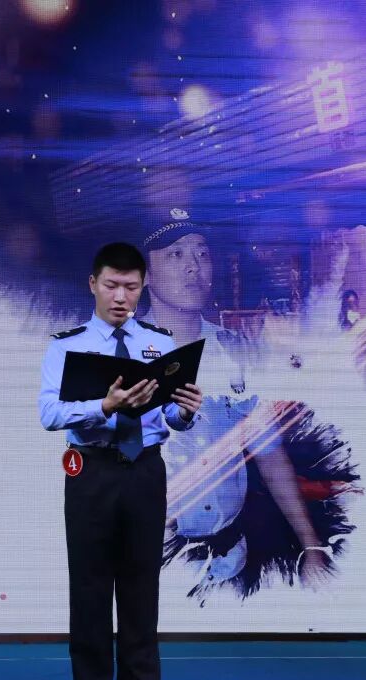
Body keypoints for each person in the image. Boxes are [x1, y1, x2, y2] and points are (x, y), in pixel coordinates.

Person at [39, 242, 203, 680]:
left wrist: (186, 410)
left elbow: (171, 418)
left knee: (140, 594)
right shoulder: (66, 346)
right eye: (111, 285)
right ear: (93, 284)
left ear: (143, 286)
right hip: (91, 471)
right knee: (90, 595)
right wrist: (103, 406)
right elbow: (49, 414)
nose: (120, 297)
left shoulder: (159, 342)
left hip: (145, 472)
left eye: (131, 287)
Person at [139, 210, 333, 597]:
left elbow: (269, 454)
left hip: (231, 558)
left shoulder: (234, 350)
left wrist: (311, 546)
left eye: (202, 253)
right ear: (143, 274)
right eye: (175, 254)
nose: (194, 266)